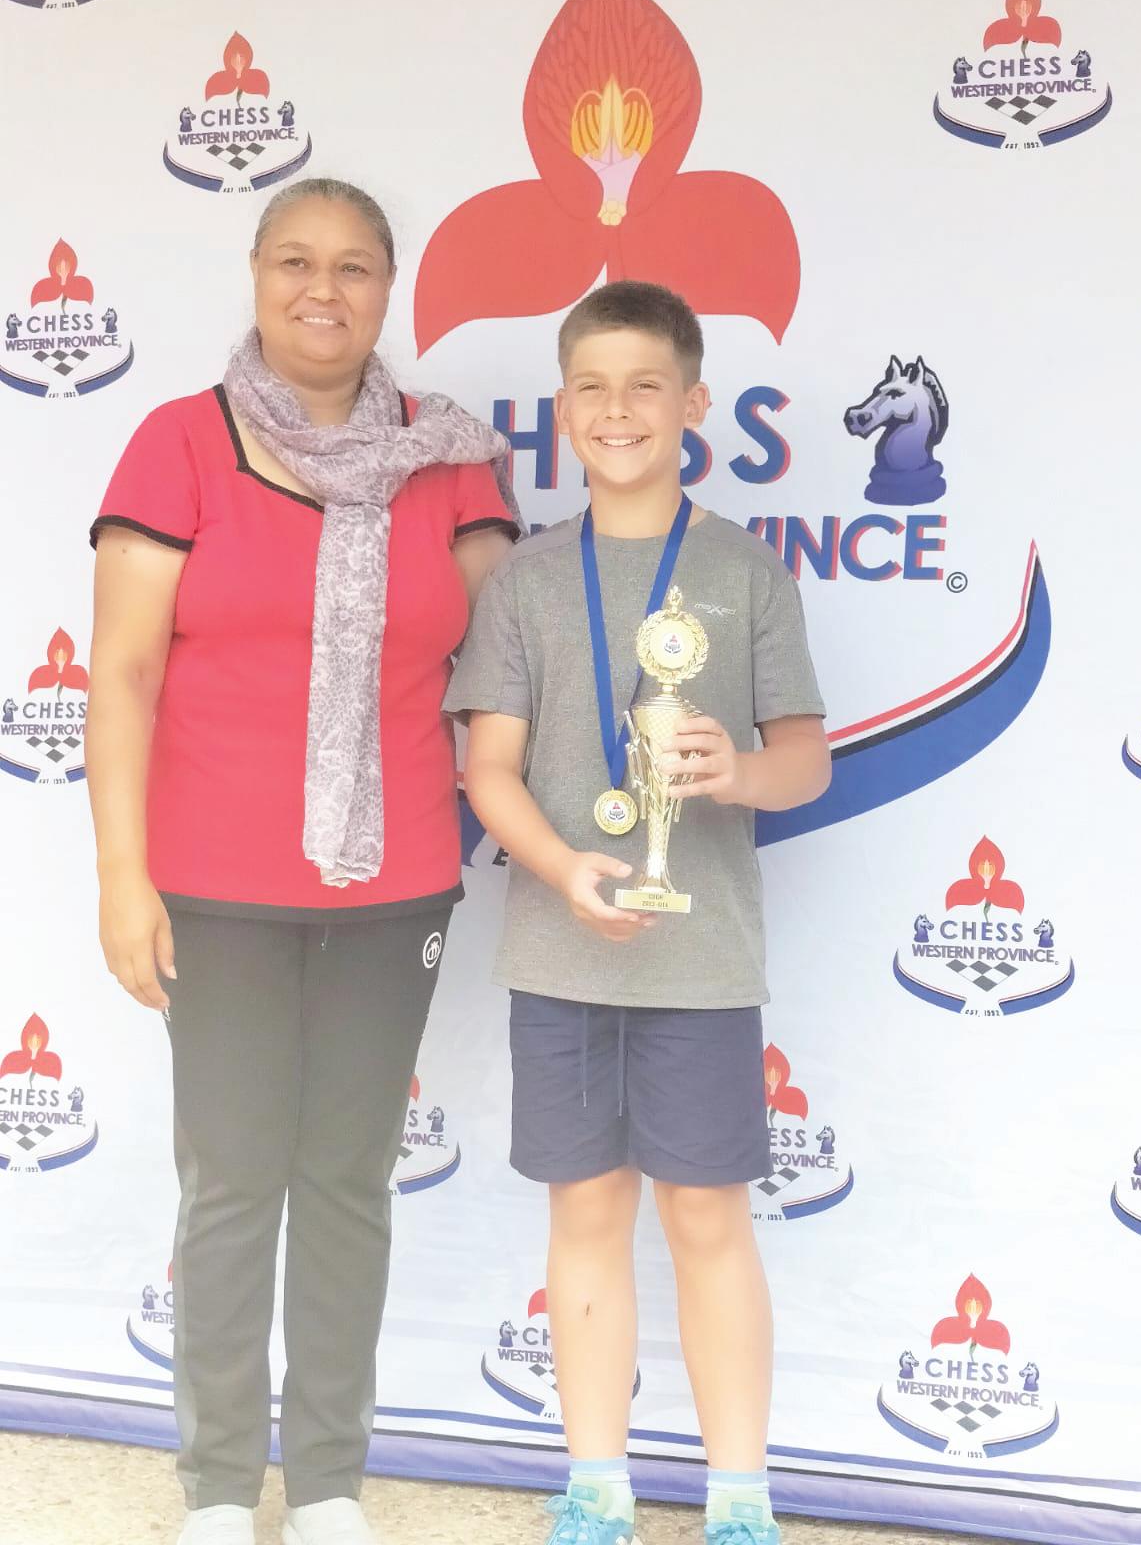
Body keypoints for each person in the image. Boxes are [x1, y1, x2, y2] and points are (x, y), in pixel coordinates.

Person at [86, 177, 518, 1545]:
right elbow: (123, 674)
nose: (321, 290)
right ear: (256, 273)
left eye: (352, 267)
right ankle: (220, 1489)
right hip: (214, 884)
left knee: (346, 1181)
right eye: (294, 262)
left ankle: (328, 1482)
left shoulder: (449, 458)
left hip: (397, 884)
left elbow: (510, 661)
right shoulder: (180, 444)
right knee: (230, 1183)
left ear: (388, 288)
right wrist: (120, 876)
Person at [445, 280, 830, 1545]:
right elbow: (488, 769)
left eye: (646, 387)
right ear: (563, 410)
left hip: (700, 957)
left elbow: (806, 761)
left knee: (708, 1215)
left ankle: (740, 1499)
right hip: (561, 950)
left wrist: (738, 772)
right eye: (594, 389)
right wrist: (563, 868)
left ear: (695, 403)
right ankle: (597, 1484)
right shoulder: (525, 579)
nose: (619, 411)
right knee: (586, 1210)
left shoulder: (745, 570)